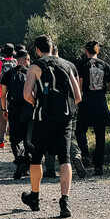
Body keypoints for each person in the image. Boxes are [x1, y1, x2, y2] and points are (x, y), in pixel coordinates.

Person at [21, 34, 81, 218]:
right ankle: (65, 201)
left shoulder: (36, 66)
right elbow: (78, 96)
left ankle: (35, 197)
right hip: (64, 119)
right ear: (52, 46)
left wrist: (37, 103)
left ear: (37, 50)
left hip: (43, 117)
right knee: (65, 158)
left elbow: (26, 94)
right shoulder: (67, 65)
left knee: (37, 157)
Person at [75, 40, 110, 176]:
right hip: (100, 103)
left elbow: (79, 86)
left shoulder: (82, 66)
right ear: (97, 51)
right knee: (100, 135)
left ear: (86, 51)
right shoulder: (105, 65)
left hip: (86, 102)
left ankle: (85, 156)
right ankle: (98, 166)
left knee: (80, 131)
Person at [44, 45, 85, 179]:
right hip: (69, 105)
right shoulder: (70, 65)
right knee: (69, 134)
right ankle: (76, 155)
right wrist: (76, 104)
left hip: (50, 107)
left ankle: (50, 168)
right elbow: (77, 87)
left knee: (49, 135)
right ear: (58, 52)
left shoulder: (44, 65)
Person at [0, 49, 32, 179]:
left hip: (14, 107)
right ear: (24, 60)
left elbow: (3, 95)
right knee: (27, 136)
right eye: (28, 59)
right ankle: (27, 164)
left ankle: (19, 161)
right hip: (28, 107)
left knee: (14, 137)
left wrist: (4, 110)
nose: (29, 61)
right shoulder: (30, 72)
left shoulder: (8, 74)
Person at [0, 43, 17, 148]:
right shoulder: (16, 62)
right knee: (13, 116)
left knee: (2, 117)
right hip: (14, 93)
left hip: (1, 92)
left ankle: (1, 140)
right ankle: (14, 138)